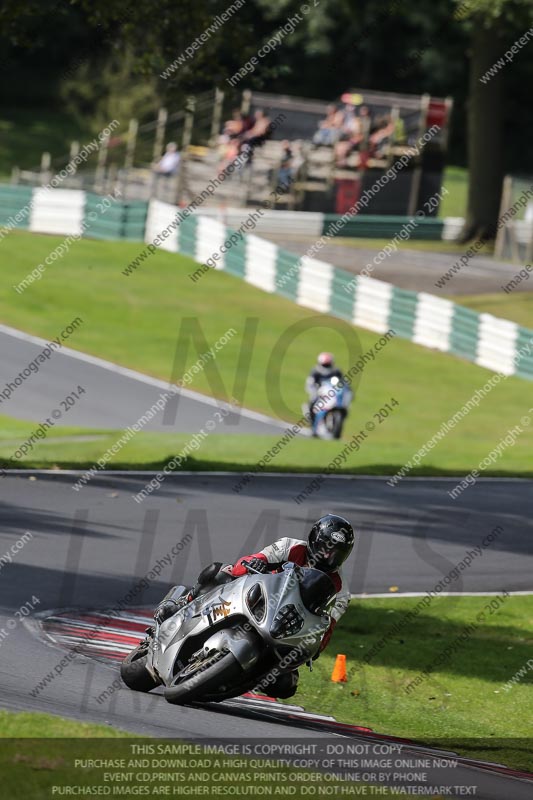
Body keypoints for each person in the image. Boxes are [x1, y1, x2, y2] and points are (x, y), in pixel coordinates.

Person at [154, 514, 355, 699]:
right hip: (259, 597)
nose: (328, 556)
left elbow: (327, 627)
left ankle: (234, 678)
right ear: (313, 540)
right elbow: (251, 560)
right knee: (221, 572)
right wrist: (253, 564)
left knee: (286, 685)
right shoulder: (290, 546)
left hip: (287, 627)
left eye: (336, 553)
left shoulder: (342, 591)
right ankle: (183, 603)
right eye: (325, 548)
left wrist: (316, 646)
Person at [306, 352, 345, 427]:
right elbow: (310, 382)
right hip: (320, 392)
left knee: (342, 404)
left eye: (328, 364)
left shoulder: (336, 371)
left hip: (333, 392)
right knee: (313, 402)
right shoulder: (316, 371)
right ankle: (312, 420)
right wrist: (314, 390)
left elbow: (343, 383)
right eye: (325, 364)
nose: (326, 366)